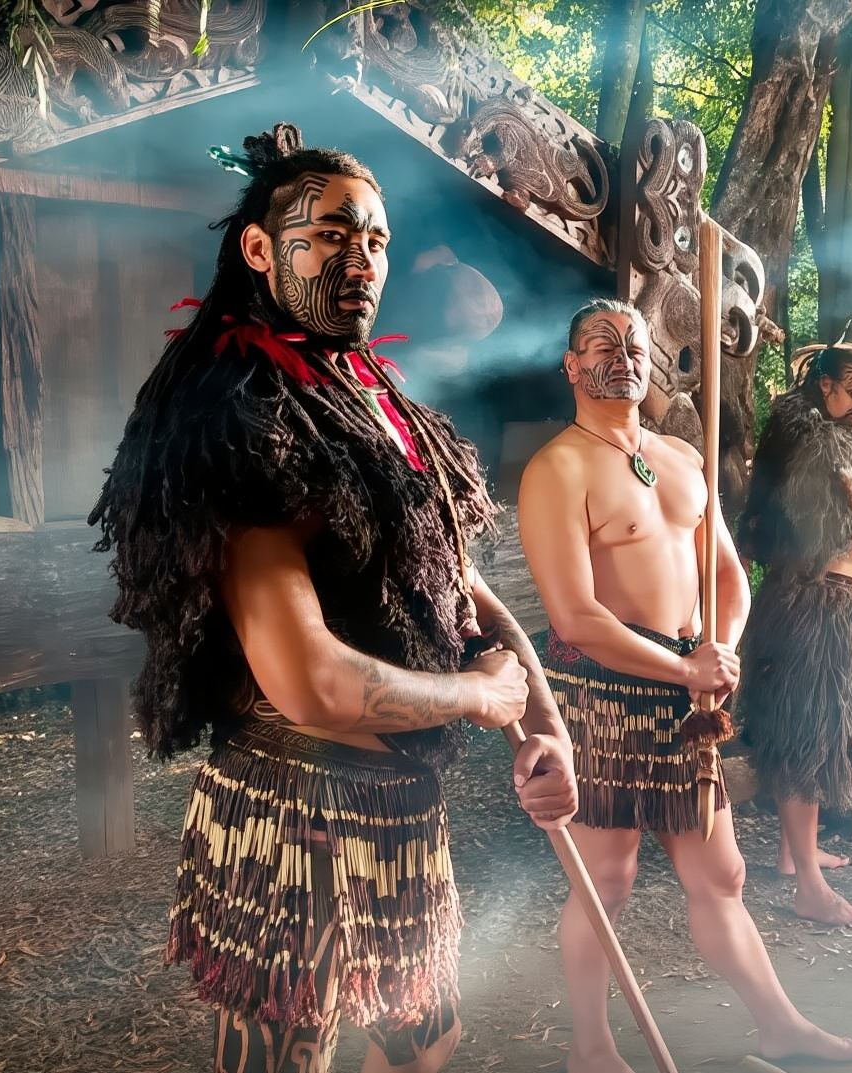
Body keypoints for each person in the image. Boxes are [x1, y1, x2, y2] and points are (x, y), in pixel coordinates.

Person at [90, 122, 577, 1073]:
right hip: (294, 808)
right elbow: (307, 680)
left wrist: (541, 725)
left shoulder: (377, 403)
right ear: (260, 249)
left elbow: (462, 587)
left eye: (377, 239)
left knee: (427, 1041)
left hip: (401, 807)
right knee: (284, 1057)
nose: (362, 258)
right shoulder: (241, 416)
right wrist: (480, 698)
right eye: (331, 234)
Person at [517, 299, 852, 1070]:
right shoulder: (557, 469)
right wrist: (683, 667)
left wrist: (720, 654)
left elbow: (727, 577)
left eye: (634, 344)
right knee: (608, 878)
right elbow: (575, 616)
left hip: (689, 696)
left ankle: (779, 1023)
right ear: (572, 365)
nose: (623, 356)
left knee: (722, 871)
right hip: (602, 694)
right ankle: (591, 1047)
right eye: (602, 344)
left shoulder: (680, 458)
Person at [736, 341, 852, 929]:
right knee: (807, 737)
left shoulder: (795, 436)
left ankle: (796, 855)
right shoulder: (823, 444)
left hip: (795, 599)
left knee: (801, 729)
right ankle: (810, 890)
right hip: (817, 607)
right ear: (825, 385)